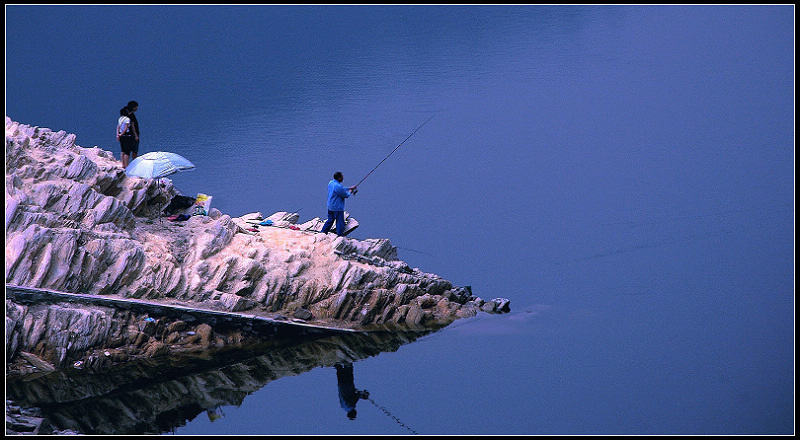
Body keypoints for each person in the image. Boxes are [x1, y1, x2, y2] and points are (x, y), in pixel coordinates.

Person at [321, 171, 357, 236]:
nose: (343, 178)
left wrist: (349, 188)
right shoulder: (338, 186)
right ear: (339, 178)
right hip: (337, 207)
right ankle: (340, 235)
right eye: (342, 177)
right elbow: (345, 195)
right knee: (340, 222)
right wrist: (350, 191)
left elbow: (342, 188)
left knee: (330, 220)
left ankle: (323, 232)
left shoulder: (331, 183)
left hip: (330, 206)